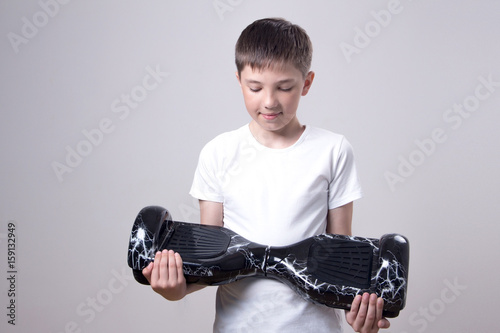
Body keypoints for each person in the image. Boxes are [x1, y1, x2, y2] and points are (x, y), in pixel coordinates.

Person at [142, 17, 391, 332]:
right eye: (255, 88)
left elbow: (339, 257)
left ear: (307, 83)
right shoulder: (218, 153)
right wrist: (174, 289)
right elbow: (210, 261)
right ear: (239, 81)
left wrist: (359, 312)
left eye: (285, 88)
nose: (269, 101)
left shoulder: (334, 150)